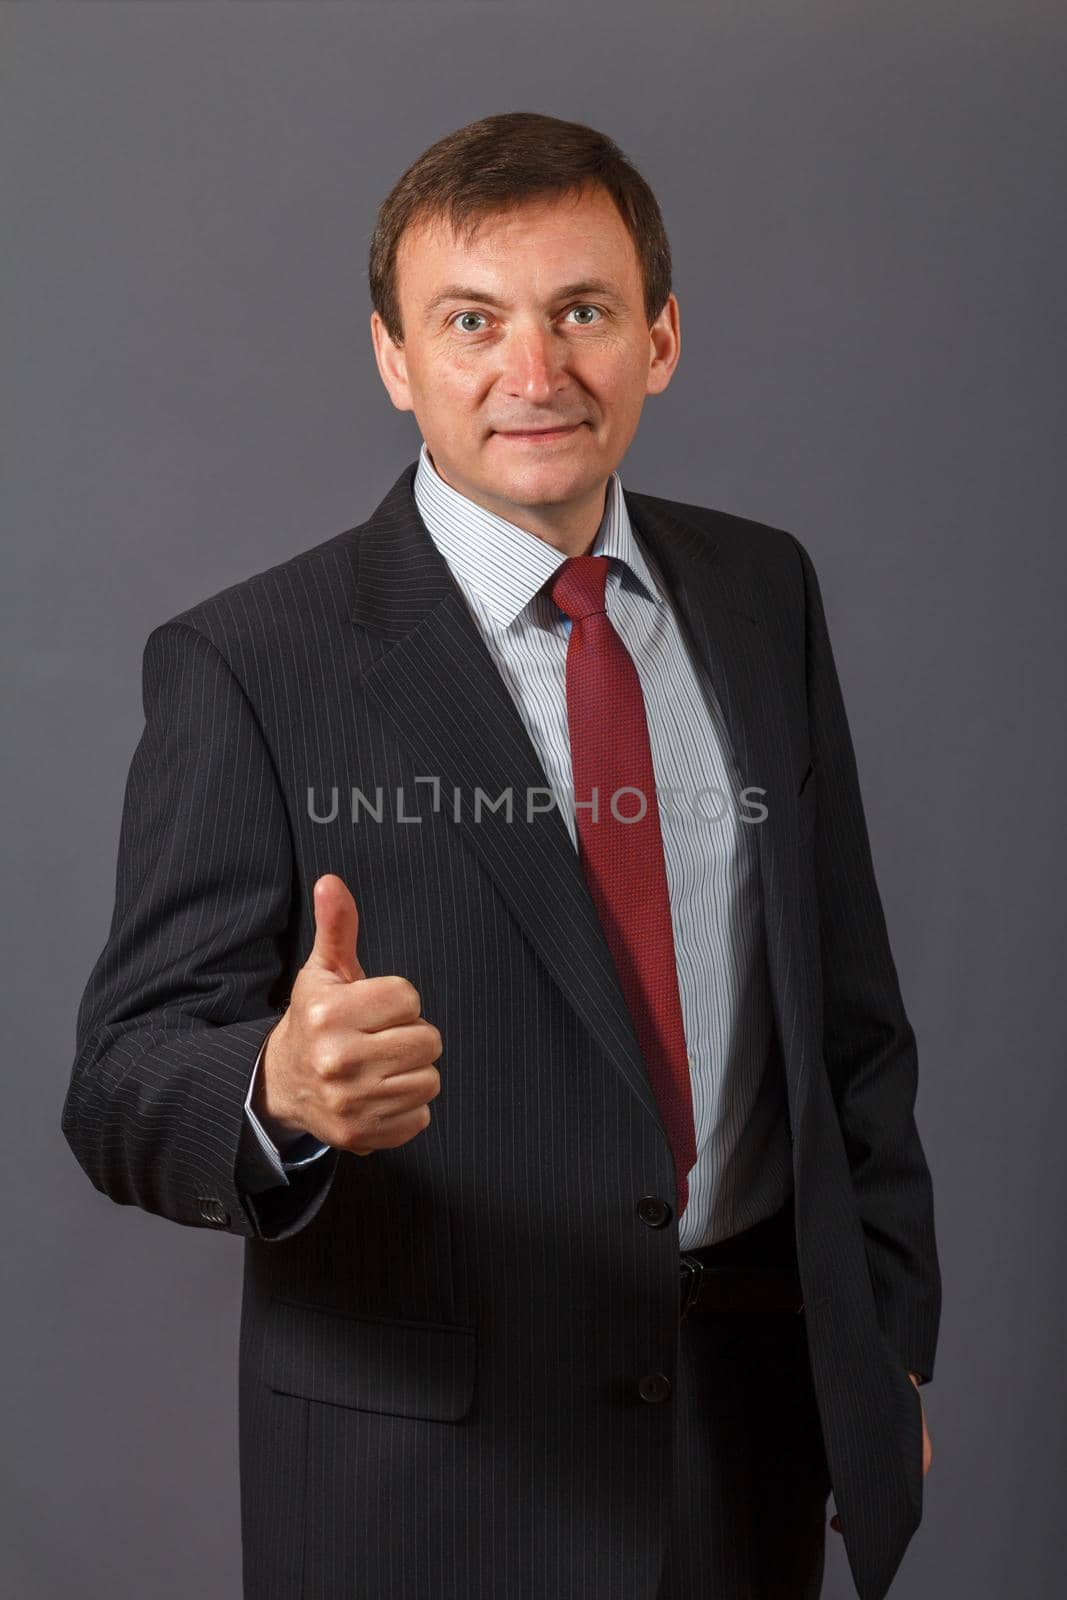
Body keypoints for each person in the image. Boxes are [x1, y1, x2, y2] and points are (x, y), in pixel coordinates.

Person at [62, 110, 940, 1600]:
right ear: (397, 360)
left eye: (581, 312)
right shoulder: (252, 661)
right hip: (430, 1490)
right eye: (472, 321)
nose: (534, 375)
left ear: (659, 337)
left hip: (754, 1449)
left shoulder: (760, 591)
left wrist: (884, 1360)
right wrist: (274, 1092)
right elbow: (122, 1078)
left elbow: (850, 1024)